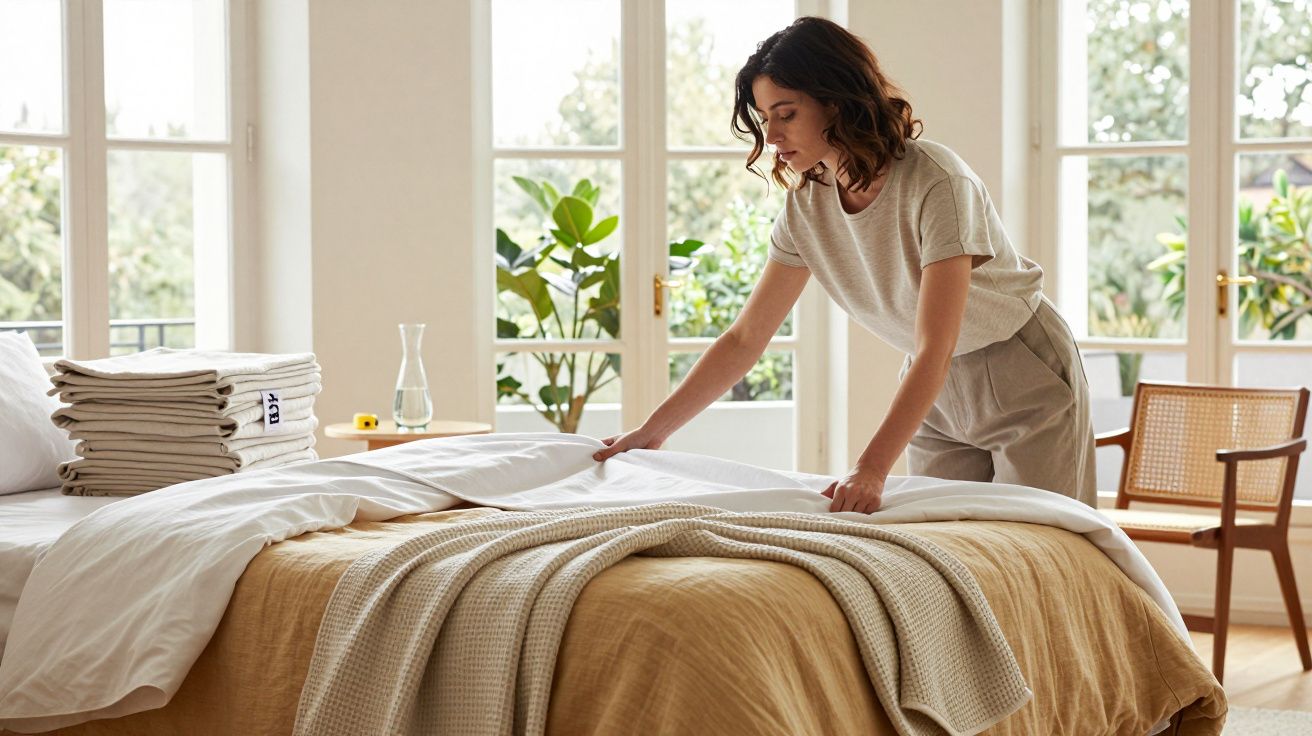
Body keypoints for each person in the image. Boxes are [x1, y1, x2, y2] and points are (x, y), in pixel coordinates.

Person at [592, 16, 1096, 514]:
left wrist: (871, 468)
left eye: (786, 114)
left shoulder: (938, 182)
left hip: (1019, 370)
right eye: (765, 119)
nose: (772, 135)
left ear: (835, 102)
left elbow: (936, 345)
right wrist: (651, 432)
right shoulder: (806, 206)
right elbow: (746, 338)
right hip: (935, 393)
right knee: (947, 543)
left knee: (1048, 540)